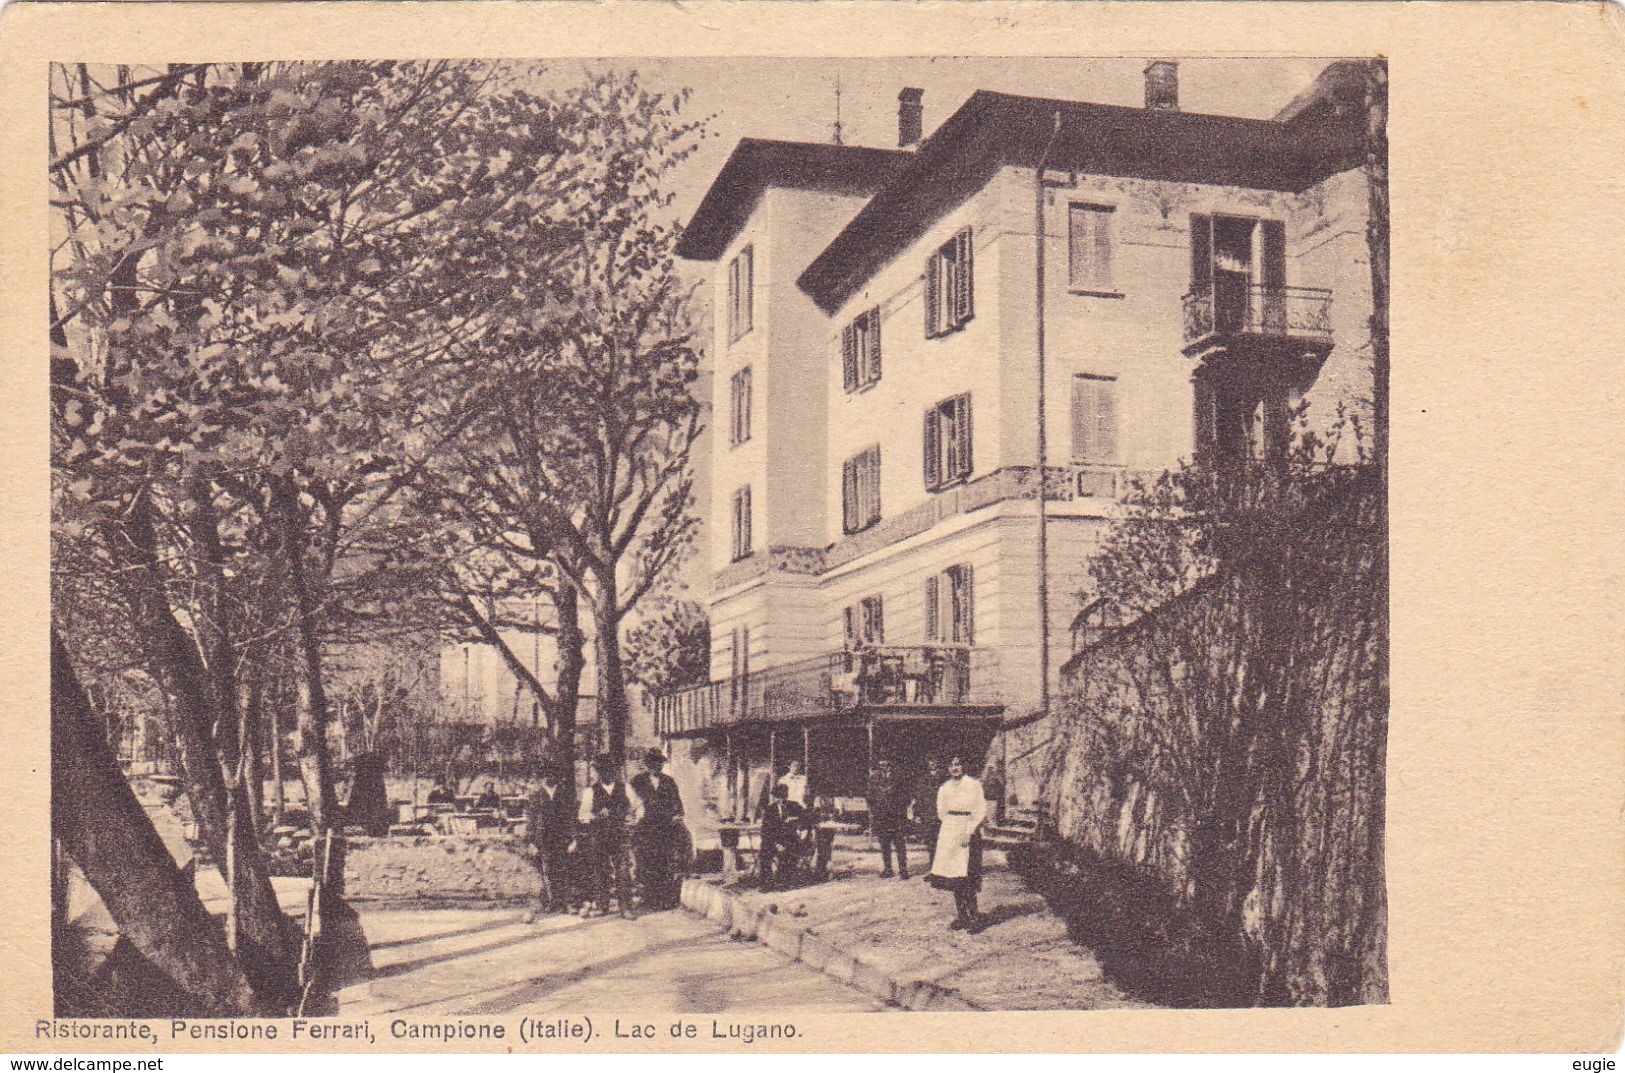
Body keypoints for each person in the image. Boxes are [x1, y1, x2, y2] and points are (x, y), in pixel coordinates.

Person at [926, 755, 988, 932]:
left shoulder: (973, 784)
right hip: (950, 832)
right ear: (947, 768)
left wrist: (968, 831)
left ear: (963, 766)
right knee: (954, 877)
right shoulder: (944, 788)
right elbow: (941, 812)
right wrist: (951, 830)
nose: (955, 768)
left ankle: (974, 917)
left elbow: (981, 810)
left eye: (958, 764)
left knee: (968, 876)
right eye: (952, 765)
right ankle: (962, 917)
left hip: (969, 831)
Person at [578, 755, 636, 919]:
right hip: (599, 835)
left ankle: (625, 907)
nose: (606, 774)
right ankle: (602, 905)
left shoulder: (626, 788)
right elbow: (582, 815)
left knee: (623, 871)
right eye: (602, 771)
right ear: (598, 772)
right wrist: (596, 816)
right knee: (600, 870)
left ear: (615, 771)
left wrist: (631, 821)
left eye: (610, 770)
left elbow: (638, 808)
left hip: (620, 835)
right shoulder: (590, 792)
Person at [630, 748, 687, 911]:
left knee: (664, 861)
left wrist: (678, 814)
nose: (655, 766)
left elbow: (677, 802)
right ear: (647, 764)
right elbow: (630, 802)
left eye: (659, 763)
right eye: (652, 763)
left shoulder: (668, 781)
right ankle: (648, 898)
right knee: (646, 862)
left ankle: (664, 898)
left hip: (665, 828)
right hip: (645, 828)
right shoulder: (637, 781)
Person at [523, 764, 572, 919]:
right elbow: (530, 820)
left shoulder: (564, 794)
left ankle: (564, 902)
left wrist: (573, 839)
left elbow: (570, 819)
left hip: (561, 838)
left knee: (563, 868)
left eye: (553, 774)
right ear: (543, 777)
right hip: (543, 839)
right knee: (547, 870)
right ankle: (551, 901)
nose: (550, 777)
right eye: (547, 775)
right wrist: (531, 842)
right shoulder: (536, 796)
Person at [866, 758, 910, 879]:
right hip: (881, 816)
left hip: (896, 816)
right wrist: (875, 812)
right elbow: (870, 796)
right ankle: (888, 869)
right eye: (881, 763)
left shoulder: (899, 776)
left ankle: (903, 869)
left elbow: (906, 796)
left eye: (886, 762)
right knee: (884, 844)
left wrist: (899, 808)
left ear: (890, 763)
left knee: (899, 844)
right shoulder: (874, 777)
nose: (883, 765)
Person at [757, 783, 804, 891]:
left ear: (786, 796)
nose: (781, 800)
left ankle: (783, 882)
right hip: (773, 841)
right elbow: (765, 831)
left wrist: (795, 819)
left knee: (790, 851)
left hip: (789, 840)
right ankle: (766, 884)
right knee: (764, 853)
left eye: (783, 796)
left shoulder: (794, 806)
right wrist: (776, 844)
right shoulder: (770, 809)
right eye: (779, 797)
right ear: (775, 797)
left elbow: (807, 816)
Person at [912, 757, 945, 870]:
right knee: (930, 841)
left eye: (934, 761)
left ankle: (942, 866)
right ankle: (933, 865)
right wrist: (917, 814)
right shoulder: (923, 778)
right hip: (928, 814)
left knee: (942, 840)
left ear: (938, 763)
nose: (932, 764)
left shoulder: (944, 778)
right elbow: (919, 797)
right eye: (930, 762)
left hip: (942, 814)